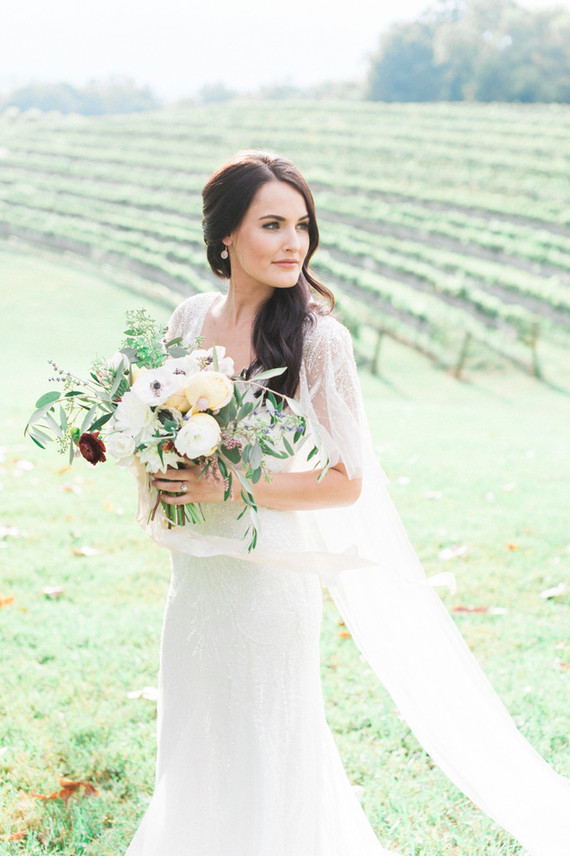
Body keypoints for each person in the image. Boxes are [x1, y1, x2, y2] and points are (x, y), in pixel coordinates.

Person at [126, 151, 570, 856]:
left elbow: (346, 481)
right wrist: (157, 467)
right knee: (194, 735)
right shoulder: (187, 319)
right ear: (225, 237)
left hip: (268, 580)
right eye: (272, 224)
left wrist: (228, 484)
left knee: (268, 743)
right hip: (197, 579)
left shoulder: (318, 340)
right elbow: (159, 429)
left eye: (301, 225)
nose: (293, 242)